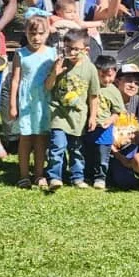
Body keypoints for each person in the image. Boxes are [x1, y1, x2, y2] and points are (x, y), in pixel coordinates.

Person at [44, 28, 100, 191]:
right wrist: (55, 73)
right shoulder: (60, 64)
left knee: (76, 149)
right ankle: (54, 177)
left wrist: (93, 116)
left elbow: (93, 95)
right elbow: (48, 87)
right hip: (58, 114)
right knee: (57, 147)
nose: (71, 52)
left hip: (78, 116)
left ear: (86, 50)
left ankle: (77, 177)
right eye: (67, 48)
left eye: (76, 49)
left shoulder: (90, 69)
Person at [6, 10, 55, 189]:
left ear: (48, 33)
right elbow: (15, 80)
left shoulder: (52, 53)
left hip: (44, 100)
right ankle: (23, 174)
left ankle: (39, 174)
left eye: (41, 33)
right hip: (26, 101)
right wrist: (12, 104)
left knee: (41, 138)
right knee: (25, 137)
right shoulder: (20, 53)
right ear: (26, 33)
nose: (36, 37)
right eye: (32, 33)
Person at [84, 56, 124, 190]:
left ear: (115, 74)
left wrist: (110, 120)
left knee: (102, 155)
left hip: (105, 130)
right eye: (102, 75)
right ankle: (87, 175)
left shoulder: (114, 91)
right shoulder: (89, 86)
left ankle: (100, 178)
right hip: (88, 127)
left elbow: (118, 111)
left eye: (110, 76)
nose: (106, 79)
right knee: (87, 152)